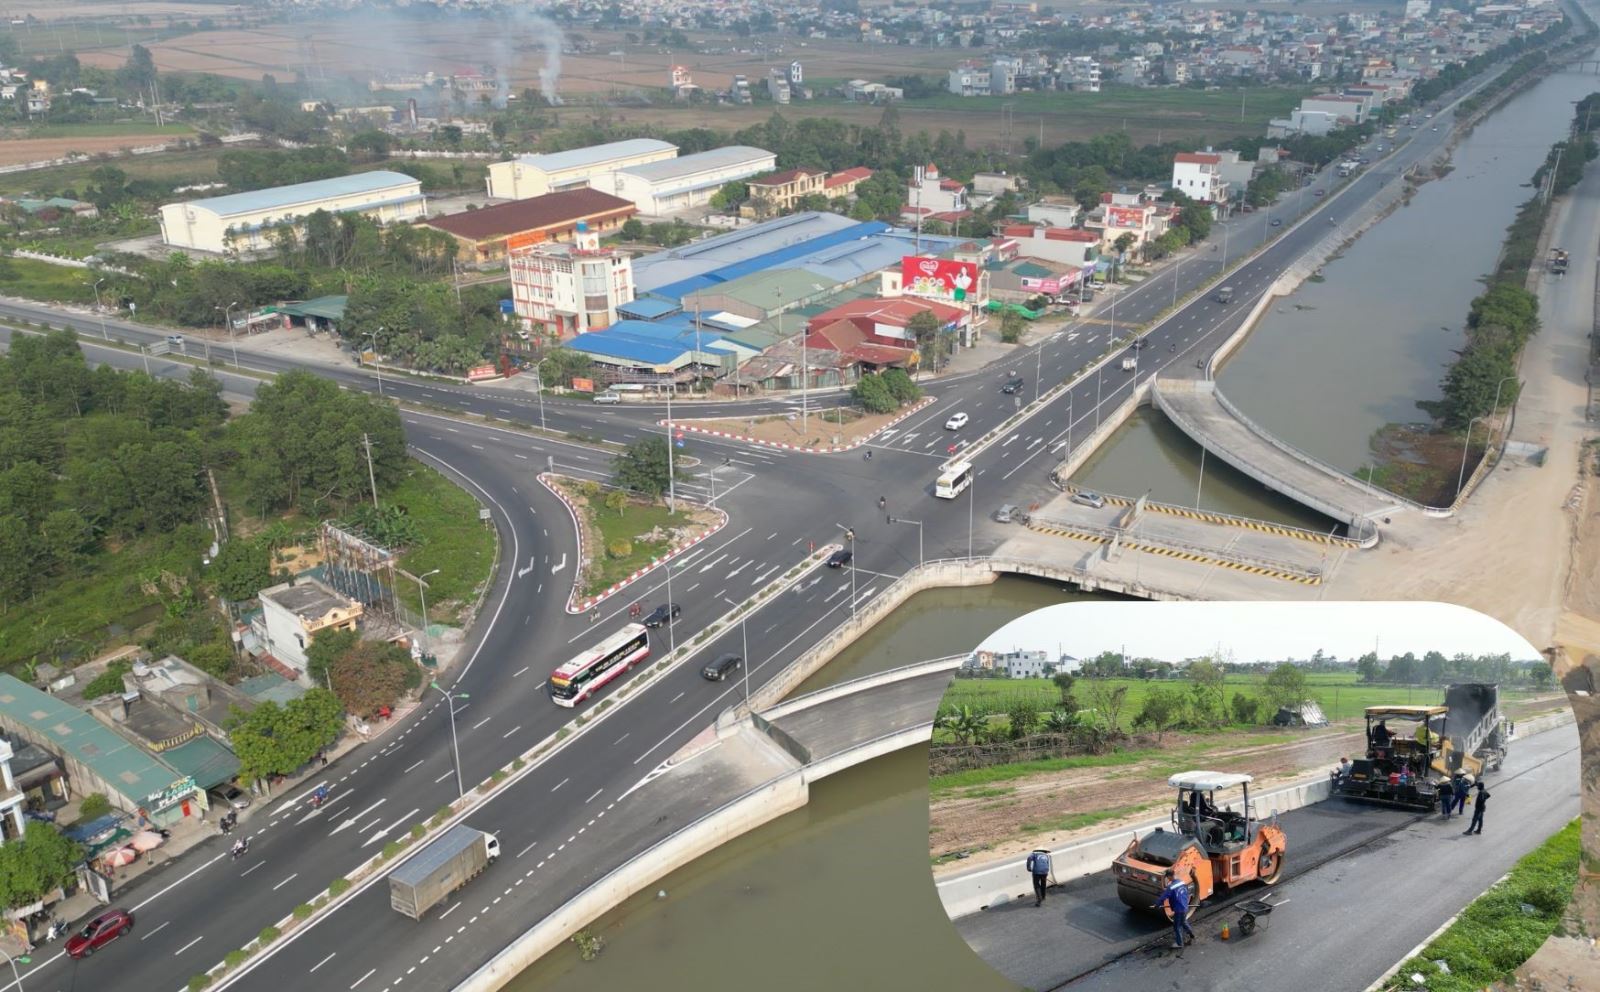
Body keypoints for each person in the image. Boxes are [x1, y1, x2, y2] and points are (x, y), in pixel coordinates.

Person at [1154, 869, 1197, 948]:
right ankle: (1191, 933)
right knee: (1183, 921)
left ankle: (1179, 943)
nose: (1167, 878)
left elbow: (1163, 897)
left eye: (1167, 877)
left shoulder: (1171, 887)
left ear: (1170, 876)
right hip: (1185, 906)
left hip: (1178, 909)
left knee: (1177, 926)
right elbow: (1185, 892)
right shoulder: (1182, 882)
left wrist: (1157, 904)